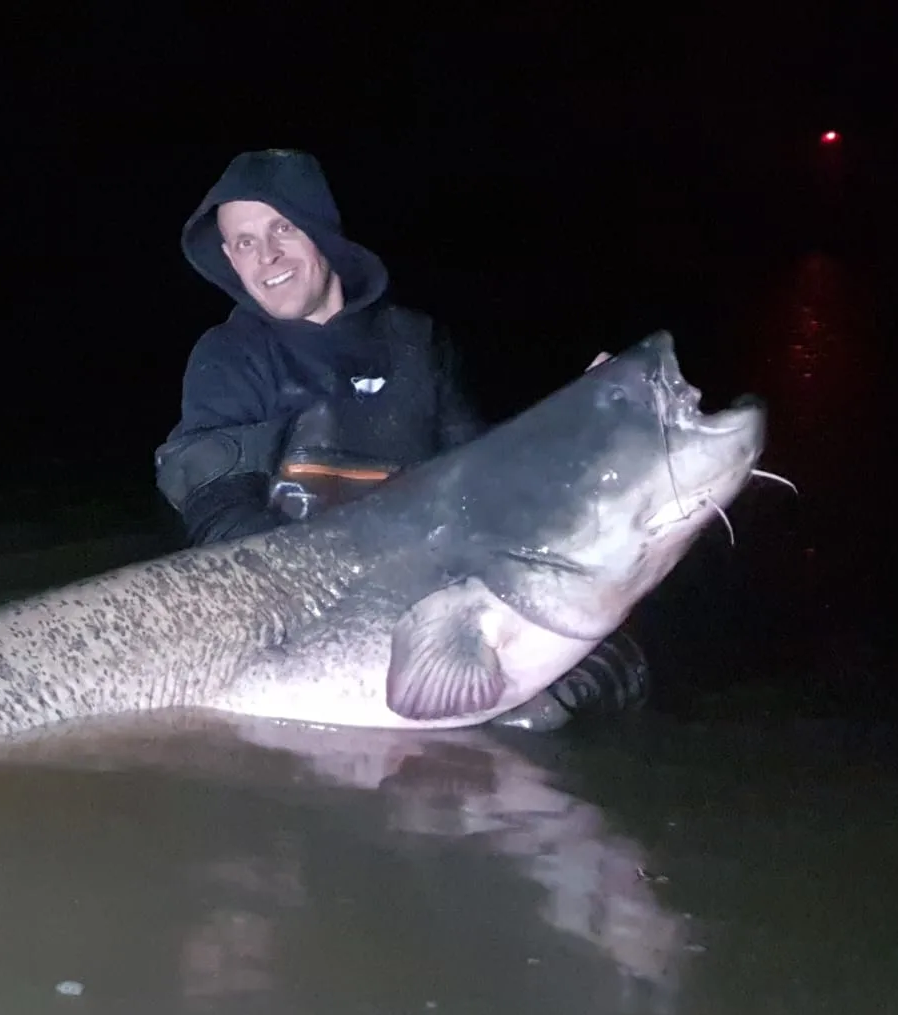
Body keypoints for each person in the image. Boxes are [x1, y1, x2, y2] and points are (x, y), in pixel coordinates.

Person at [152, 148, 648, 732]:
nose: (266, 256)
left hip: (426, 605)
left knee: (591, 680)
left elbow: (481, 491)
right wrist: (315, 590)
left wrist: (572, 430)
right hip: (283, 622)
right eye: (243, 242)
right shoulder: (229, 357)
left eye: (282, 227)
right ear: (229, 259)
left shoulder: (417, 344)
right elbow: (217, 512)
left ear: (319, 229)